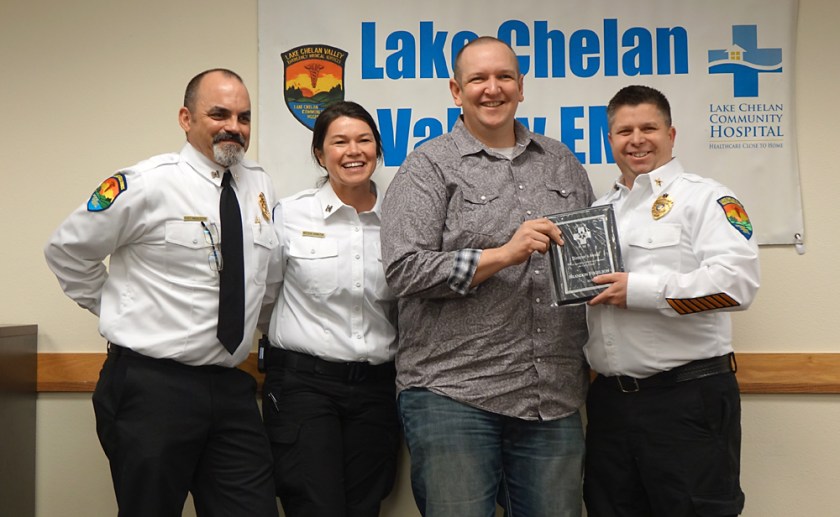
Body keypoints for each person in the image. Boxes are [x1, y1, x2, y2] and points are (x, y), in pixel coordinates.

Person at [44, 68, 279, 517]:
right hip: (152, 387)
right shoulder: (147, 183)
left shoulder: (260, 185)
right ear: (186, 118)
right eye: (219, 114)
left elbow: (260, 279)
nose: (234, 126)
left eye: (244, 117)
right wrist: (118, 307)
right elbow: (66, 251)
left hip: (229, 387)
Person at [380, 36, 595, 517]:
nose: (492, 89)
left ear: (521, 86)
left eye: (504, 77)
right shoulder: (428, 165)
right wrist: (502, 256)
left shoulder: (561, 161)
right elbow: (403, 268)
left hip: (552, 396)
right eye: (478, 79)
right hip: (454, 393)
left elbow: (586, 258)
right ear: (456, 91)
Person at [582, 85, 760, 517]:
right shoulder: (598, 212)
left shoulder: (705, 198)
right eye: (624, 131)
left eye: (649, 128)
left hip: (686, 398)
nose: (636, 140)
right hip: (610, 404)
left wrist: (639, 291)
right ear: (609, 140)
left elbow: (737, 285)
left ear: (671, 134)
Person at [260, 101, 399, 517]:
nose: (353, 151)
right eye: (339, 142)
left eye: (364, 140)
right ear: (320, 154)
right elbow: (265, 295)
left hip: (376, 388)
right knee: (313, 506)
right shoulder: (290, 214)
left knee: (364, 507)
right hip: (304, 386)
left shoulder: (400, 220)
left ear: (378, 149)